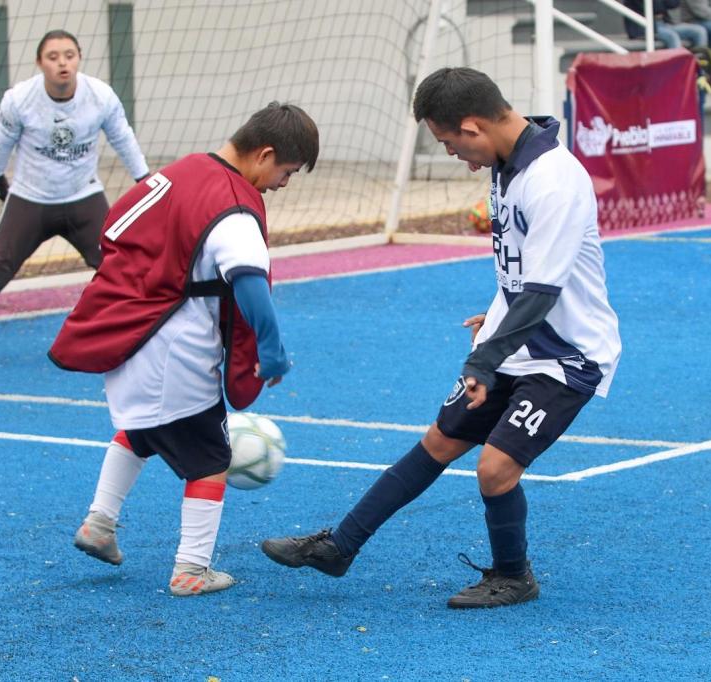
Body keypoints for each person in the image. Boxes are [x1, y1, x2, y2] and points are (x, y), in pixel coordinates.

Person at [260, 67, 621, 609]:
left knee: (495, 468)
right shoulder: (505, 166)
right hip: (518, 336)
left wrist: (486, 358)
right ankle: (340, 547)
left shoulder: (554, 179)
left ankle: (512, 575)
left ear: (473, 126)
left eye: (448, 142)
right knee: (438, 441)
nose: (451, 153)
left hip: (566, 356)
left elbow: (544, 289)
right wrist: (496, 313)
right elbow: (524, 274)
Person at [48, 102, 318, 595]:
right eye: (286, 171)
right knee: (212, 457)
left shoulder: (178, 173)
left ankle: (99, 524)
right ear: (265, 154)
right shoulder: (232, 205)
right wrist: (272, 351)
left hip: (132, 338)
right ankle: (191, 570)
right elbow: (250, 283)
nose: (282, 183)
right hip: (177, 348)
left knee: (141, 431)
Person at [0, 29, 148, 369]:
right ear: (39, 63)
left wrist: (143, 179)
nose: (62, 63)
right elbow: (2, 142)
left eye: (69, 55)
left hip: (83, 197)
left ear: (78, 59)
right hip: (31, 200)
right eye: (53, 57)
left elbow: (123, 137)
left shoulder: (100, 96)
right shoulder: (19, 99)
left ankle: (142, 336)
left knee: (117, 268)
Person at [623, 0, 708, 51]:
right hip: (643, 28)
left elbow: (673, 4)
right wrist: (662, 5)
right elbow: (656, 7)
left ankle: (697, 72)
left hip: (663, 24)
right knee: (672, 36)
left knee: (699, 31)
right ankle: (678, 76)